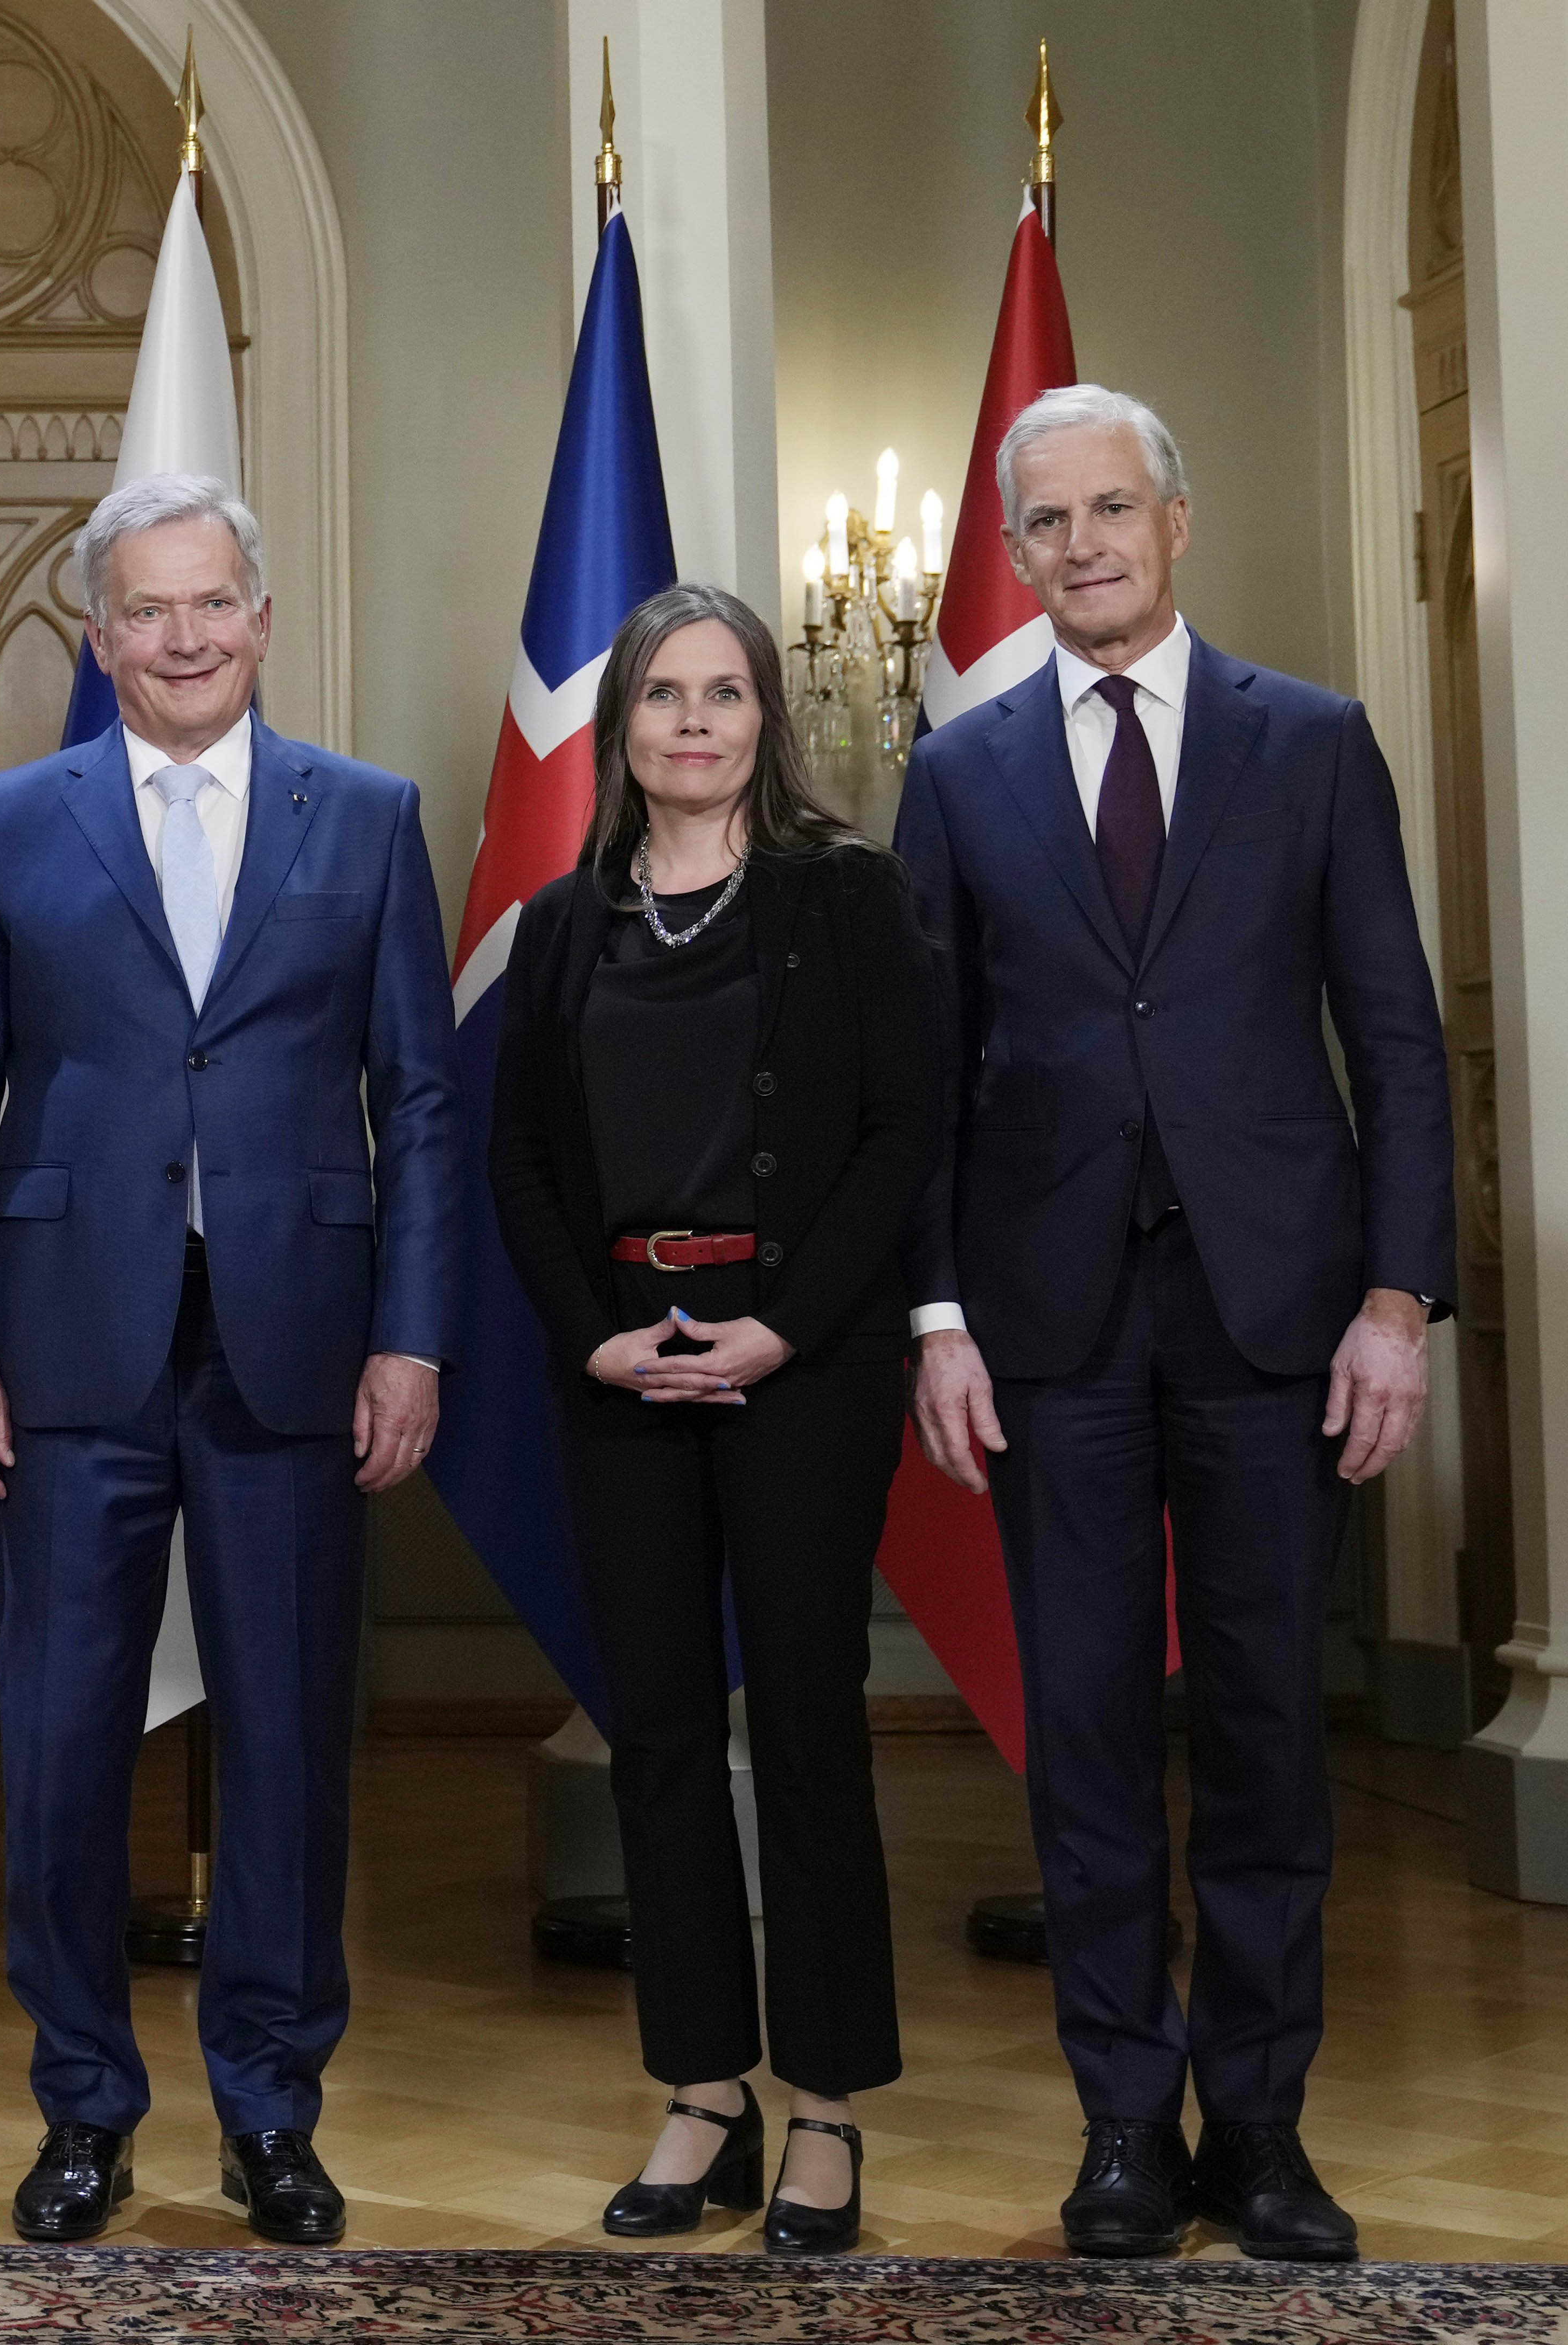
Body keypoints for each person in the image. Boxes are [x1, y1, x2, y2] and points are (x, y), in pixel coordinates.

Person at [898, 385, 1453, 2264]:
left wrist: (1397, 1297)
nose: (1082, 548)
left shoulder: (1310, 744)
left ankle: (1266, 2132)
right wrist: (941, 1312)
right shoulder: (961, 771)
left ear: (1177, 520)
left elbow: (1392, 1040)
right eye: (1044, 524)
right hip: (1047, 1319)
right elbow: (925, 1075)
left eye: (1110, 511)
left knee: (1272, 1730)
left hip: (1279, 1312)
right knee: (1089, 1737)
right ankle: (1127, 2124)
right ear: (1017, 551)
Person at [0, 473, 465, 2249]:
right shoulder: (10, 821)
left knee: (291, 1751)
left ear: (264, 619)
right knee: (62, 1746)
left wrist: (414, 1338)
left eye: (212, 602)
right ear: (101, 636)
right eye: (146, 611)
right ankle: (84, 2105)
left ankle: (274, 2113)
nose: (183, 636)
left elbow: (425, 1110)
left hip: (300, 1345)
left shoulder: (368, 819)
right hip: (66, 1346)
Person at [488, 582, 939, 2255]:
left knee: (811, 1730)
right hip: (622, 1365)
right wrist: (601, 1343)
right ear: (619, 726)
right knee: (660, 1739)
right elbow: (517, 1166)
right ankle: (703, 2092)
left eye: (726, 691)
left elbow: (903, 1139)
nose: (694, 720)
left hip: (800, 1364)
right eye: (664, 694)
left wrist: (780, 1329)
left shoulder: (851, 901)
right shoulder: (560, 927)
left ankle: (824, 2108)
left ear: (769, 718)